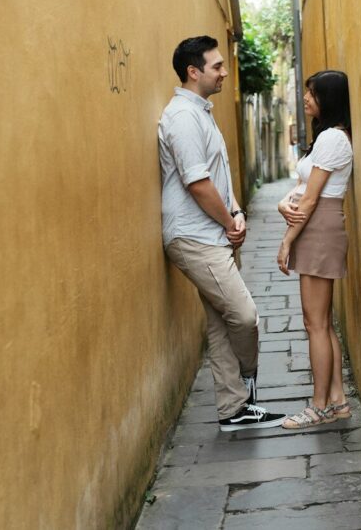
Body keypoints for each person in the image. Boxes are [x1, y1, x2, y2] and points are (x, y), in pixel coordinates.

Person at [158, 35, 285, 431]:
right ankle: (248, 379)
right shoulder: (182, 117)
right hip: (195, 237)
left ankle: (233, 410)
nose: (224, 72)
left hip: (214, 232)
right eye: (216, 66)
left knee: (219, 322)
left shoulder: (201, 112)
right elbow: (197, 182)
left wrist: (236, 211)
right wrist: (231, 224)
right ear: (193, 72)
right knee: (245, 317)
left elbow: (217, 176)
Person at [276, 70, 354, 428]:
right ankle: (336, 401)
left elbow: (308, 201)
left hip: (318, 229)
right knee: (321, 323)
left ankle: (319, 406)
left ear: (329, 98)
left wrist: (287, 241)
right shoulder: (325, 139)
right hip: (316, 227)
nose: (306, 98)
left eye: (312, 93)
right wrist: (281, 204)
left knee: (315, 324)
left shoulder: (333, 141)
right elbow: (298, 190)